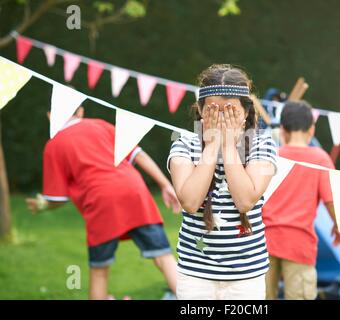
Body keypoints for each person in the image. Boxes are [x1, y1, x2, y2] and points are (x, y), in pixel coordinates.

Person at [25, 106, 181, 300]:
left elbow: (58, 198)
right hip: (134, 191)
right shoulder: (101, 125)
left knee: (99, 270)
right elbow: (137, 154)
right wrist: (165, 184)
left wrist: (42, 205)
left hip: (100, 201)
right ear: (80, 111)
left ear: (50, 115)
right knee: (163, 257)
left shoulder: (54, 145)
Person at [167, 64, 277, 300]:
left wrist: (228, 146)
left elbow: (245, 200)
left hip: (247, 276)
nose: (221, 118)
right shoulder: (184, 143)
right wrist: (213, 144)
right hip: (195, 274)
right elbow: (190, 201)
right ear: (200, 108)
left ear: (246, 111)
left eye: (230, 111)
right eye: (213, 110)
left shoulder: (262, 144)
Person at [262, 100, 340, 300]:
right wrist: (338, 225)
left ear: (282, 130)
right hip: (299, 244)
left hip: (263, 242)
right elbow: (331, 200)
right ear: (312, 129)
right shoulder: (321, 159)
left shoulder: (270, 156)